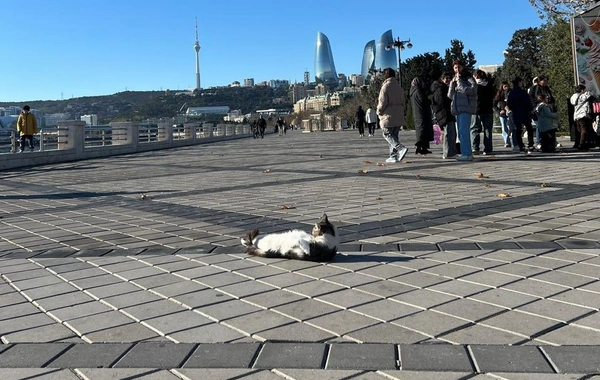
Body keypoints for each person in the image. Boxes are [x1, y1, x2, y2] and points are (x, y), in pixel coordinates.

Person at [377, 67, 408, 163]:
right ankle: (393, 156)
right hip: (398, 114)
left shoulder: (385, 86)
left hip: (388, 115)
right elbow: (403, 101)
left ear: (386, 75)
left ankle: (401, 148)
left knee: (387, 134)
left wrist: (378, 111)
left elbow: (382, 102)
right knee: (394, 135)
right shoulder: (399, 87)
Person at [448, 60, 477, 161]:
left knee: (464, 131)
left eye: (459, 67)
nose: (457, 70)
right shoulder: (455, 80)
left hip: (466, 107)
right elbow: (450, 95)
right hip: (457, 109)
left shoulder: (469, 79)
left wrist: (460, 82)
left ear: (463, 67)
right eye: (455, 68)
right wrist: (452, 83)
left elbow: (472, 91)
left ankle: (467, 153)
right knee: (460, 132)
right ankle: (466, 152)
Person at [431, 72, 457, 159]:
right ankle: (448, 153)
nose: (447, 80)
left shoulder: (442, 87)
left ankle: (451, 152)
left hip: (446, 113)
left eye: (449, 78)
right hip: (444, 113)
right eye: (445, 78)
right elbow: (440, 101)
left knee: (451, 133)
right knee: (449, 133)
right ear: (442, 79)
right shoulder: (440, 88)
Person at [507, 77, 534, 152]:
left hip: (516, 113)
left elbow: (509, 104)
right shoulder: (523, 92)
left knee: (518, 130)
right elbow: (528, 102)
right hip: (525, 113)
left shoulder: (511, 93)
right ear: (519, 82)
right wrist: (530, 110)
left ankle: (520, 145)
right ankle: (530, 144)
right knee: (529, 128)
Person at [471, 70, 494, 155]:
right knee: (487, 130)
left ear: (476, 76)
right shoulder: (489, 85)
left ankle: (475, 147)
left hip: (476, 110)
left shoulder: (475, 86)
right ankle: (488, 149)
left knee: (474, 129)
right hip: (488, 110)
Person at [529, 75, 555, 149]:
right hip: (537, 110)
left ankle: (548, 141)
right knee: (539, 125)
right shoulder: (534, 89)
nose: (546, 82)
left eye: (546, 80)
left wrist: (552, 104)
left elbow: (551, 97)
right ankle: (538, 142)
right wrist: (536, 105)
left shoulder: (546, 88)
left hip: (546, 108)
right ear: (539, 81)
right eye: (544, 80)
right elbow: (531, 98)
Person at [410, 77, 434, 155]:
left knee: (421, 129)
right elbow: (422, 100)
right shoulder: (418, 90)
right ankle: (420, 147)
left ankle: (423, 147)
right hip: (422, 113)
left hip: (417, 113)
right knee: (423, 129)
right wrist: (429, 100)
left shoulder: (412, 91)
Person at [570, 84, 594, 151]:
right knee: (584, 130)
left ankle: (577, 143)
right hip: (583, 114)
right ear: (582, 90)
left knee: (579, 130)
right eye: (585, 89)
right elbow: (588, 95)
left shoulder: (573, 96)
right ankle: (582, 144)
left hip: (576, 115)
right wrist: (590, 89)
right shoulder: (583, 96)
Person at [494, 81, 512, 148]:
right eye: (505, 86)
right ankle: (507, 142)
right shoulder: (499, 94)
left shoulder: (511, 93)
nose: (506, 88)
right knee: (504, 128)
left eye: (507, 86)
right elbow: (494, 104)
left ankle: (515, 142)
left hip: (510, 112)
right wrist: (499, 111)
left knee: (511, 127)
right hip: (503, 114)